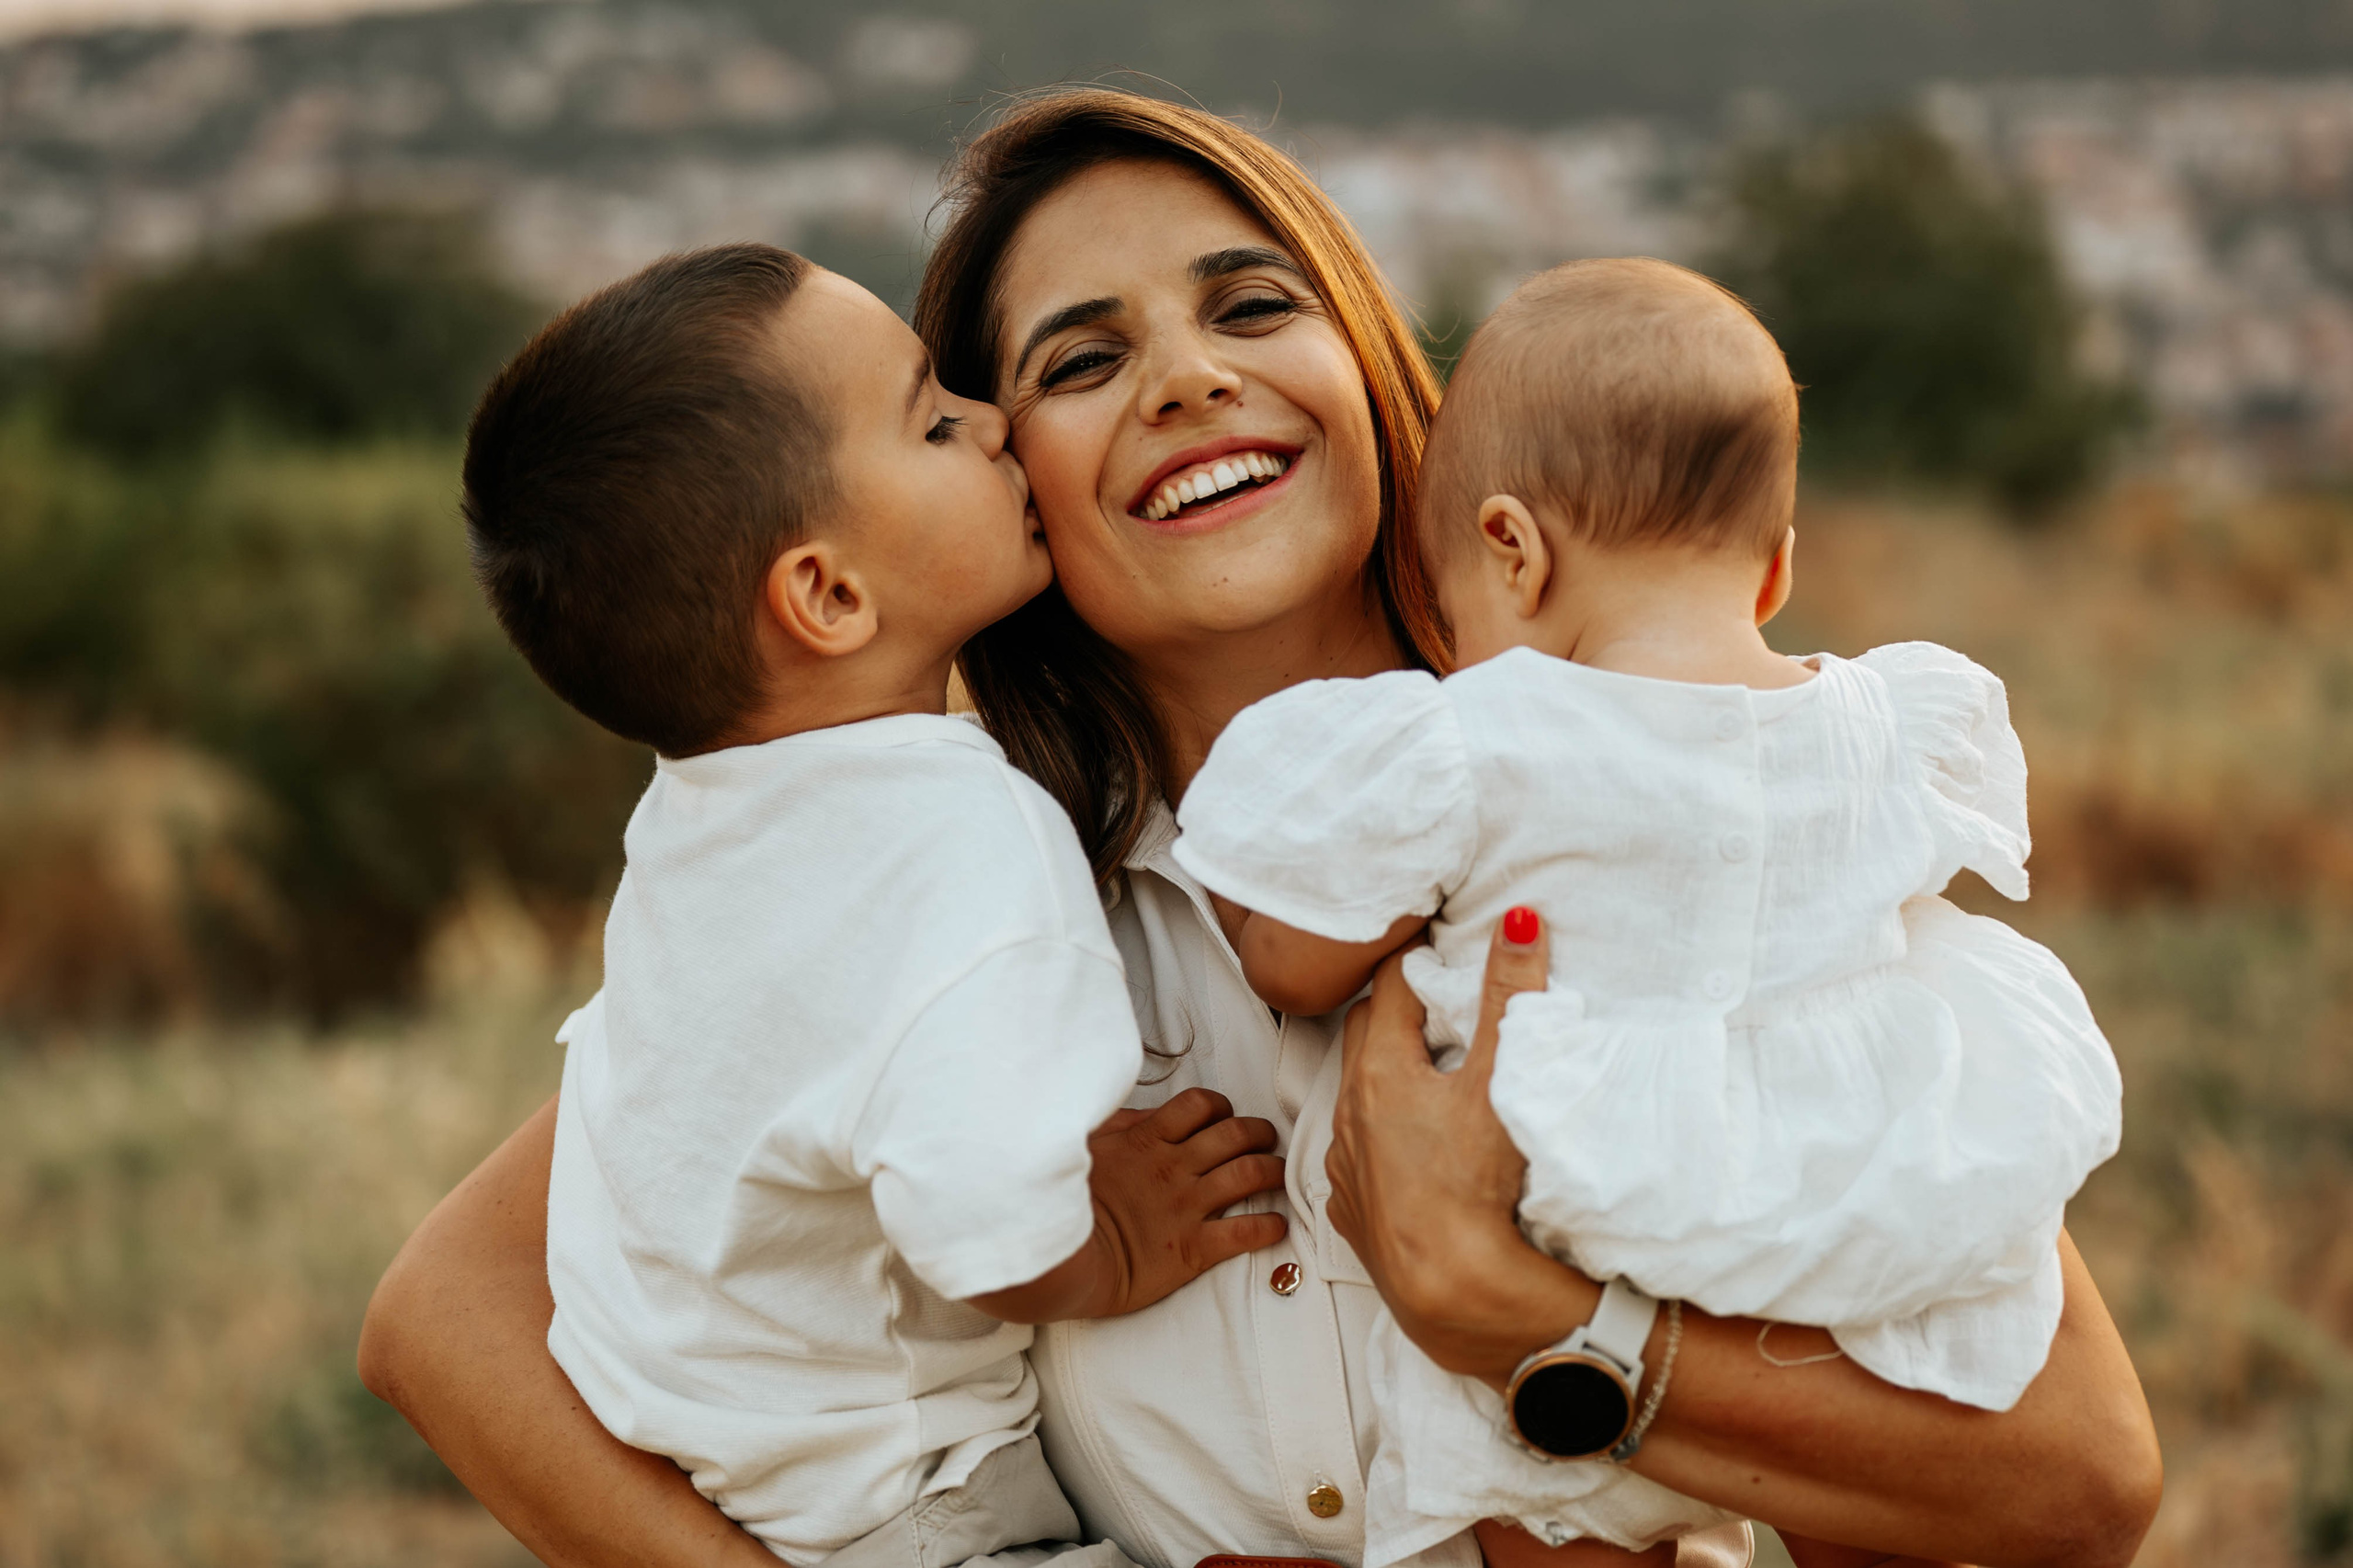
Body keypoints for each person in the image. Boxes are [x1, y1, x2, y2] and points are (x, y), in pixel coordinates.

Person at [358, 90, 2164, 1568]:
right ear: (1003, 480)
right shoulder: (939, 891)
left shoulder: (1687, 800)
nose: (1181, 379)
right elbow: (445, 1317)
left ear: (1369, 372)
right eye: (1076, 361)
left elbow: (2067, 1477)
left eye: (1246, 308)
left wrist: (1535, 1330)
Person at [1171, 258, 2123, 1566]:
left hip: (1580, 1196)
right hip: (1850, 1211)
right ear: (1777, 567)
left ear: (1510, 547)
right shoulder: (1886, 718)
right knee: (1896, 1494)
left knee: (1544, 1518)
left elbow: (1291, 956)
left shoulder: (1471, 737)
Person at [458, 243, 1290, 1567]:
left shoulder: (699, 815)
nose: (995, 421)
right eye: (934, 419)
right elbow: (983, 1225)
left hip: (706, 1460)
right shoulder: (963, 842)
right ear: (830, 594)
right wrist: (1109, 1239)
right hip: (913, 1503)